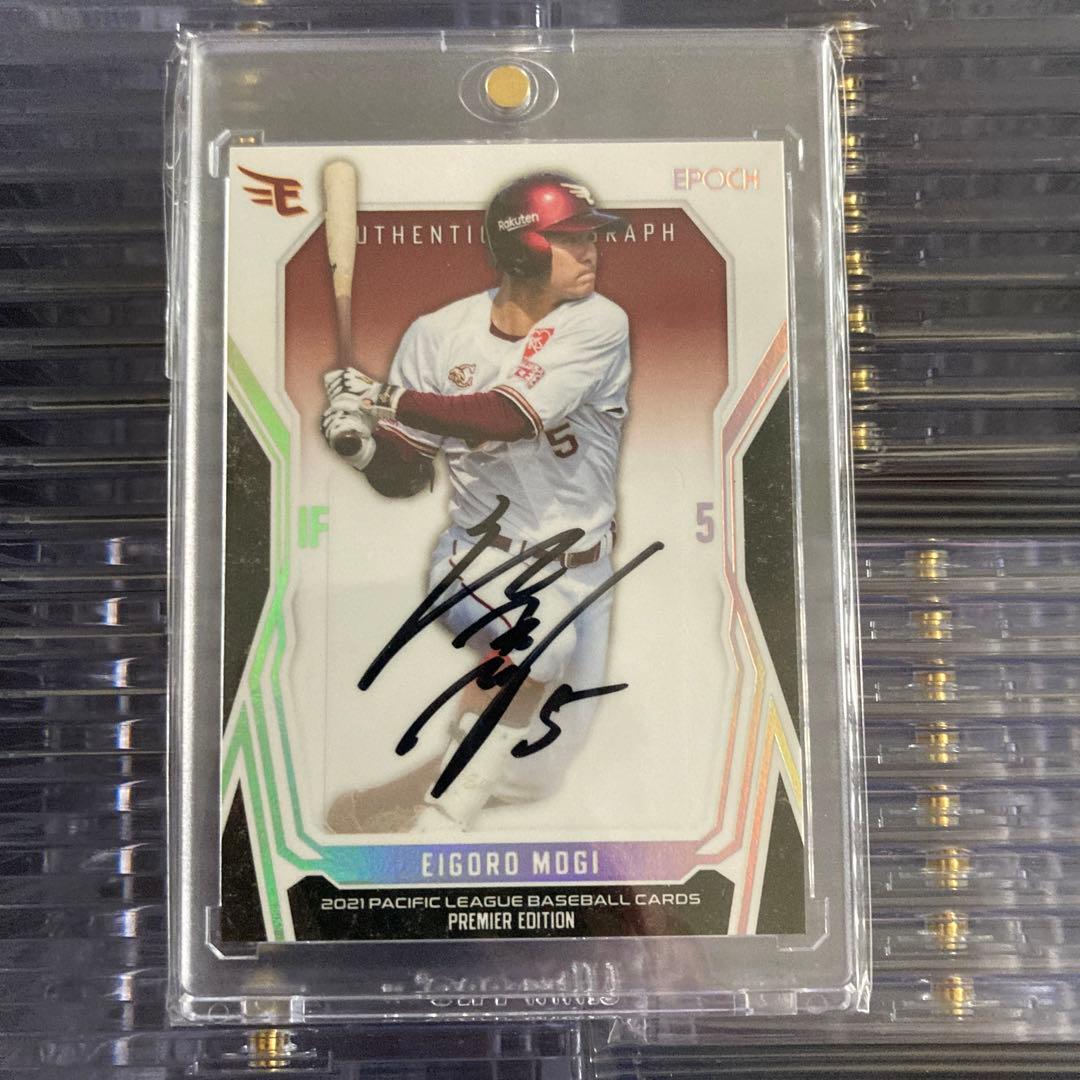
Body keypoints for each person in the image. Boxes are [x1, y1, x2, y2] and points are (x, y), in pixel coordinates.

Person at [321, 171, 631, 833]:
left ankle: (386, 804)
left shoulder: (598, 322)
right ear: (523, 247)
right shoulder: (439, 334)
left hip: (585, 568)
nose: (591, 250)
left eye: (591, 236)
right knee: (537, 642)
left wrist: (383, 399)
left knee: (536, 775)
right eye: (572, 238)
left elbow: (506, 417)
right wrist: (362, 447)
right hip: (480, 559)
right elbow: (407, 476)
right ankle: (441, 822)